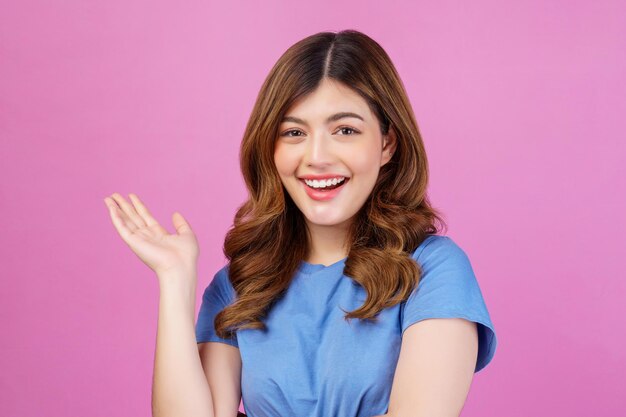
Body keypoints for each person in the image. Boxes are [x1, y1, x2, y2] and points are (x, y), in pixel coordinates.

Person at [104, 29, 497, 417]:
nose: (317, 156)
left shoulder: (434, 271)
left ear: (387, 144)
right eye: (293, 132)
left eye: (345, 130)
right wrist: (174, 280)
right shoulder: (239, 285)